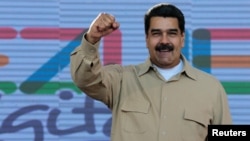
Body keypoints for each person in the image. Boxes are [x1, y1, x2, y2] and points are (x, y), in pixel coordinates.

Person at [70, 3, 232, 141]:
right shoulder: (121, 80)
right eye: (156, 34)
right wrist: (92, 39)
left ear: (182, 38)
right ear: (146, 39)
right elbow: (85, 80)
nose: (164, 41)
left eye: (172, 33)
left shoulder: (211, 88)